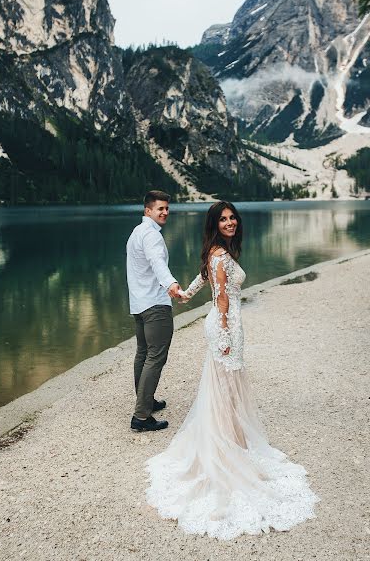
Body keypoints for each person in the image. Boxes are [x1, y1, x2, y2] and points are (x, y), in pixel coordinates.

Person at [145, 201, 319, 539]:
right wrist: (225, 335)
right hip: (226, 327)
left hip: (226, 326)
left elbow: (204, 279)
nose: (230, 222)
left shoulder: (216, 252)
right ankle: (227, 449)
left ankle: (232, 442)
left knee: (225, 387)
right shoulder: (219, 255)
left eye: (232, 217)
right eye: (223, 219)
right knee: (226, 387)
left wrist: (185, 294)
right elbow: (222, 299)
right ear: (214, 223)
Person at [126, 190, 181, 432]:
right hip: (155, 305)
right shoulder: (151, 236)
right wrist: (171, 284)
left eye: (167, 208)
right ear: (148, 210)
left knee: (143, 353)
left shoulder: (137, 232)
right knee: (155, 357)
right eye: (160, 209)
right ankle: (141, 415)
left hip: (138, 304)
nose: (165, 212)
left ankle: (145, 401)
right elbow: (157, 261)